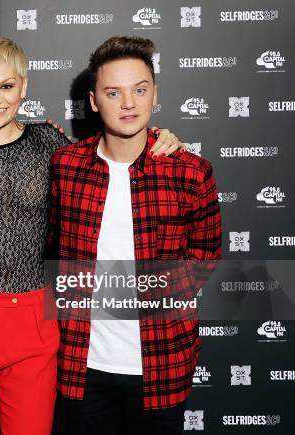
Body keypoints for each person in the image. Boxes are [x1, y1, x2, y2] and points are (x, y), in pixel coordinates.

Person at [0, 36, 184, 435]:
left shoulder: (50, 144)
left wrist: (159, 136)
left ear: (24, 87)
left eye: (7, 86)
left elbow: (109, 160)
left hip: (37, 313)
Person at [48, 36, 222, 435]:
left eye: (139, 90)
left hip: (161, 363)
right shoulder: (66, 166)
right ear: (94, 101)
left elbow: (206, 256)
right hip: (80, 364)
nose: (128, 103)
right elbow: (47, 241)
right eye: (114, 92)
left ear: (154, 93)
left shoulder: (190, 171)